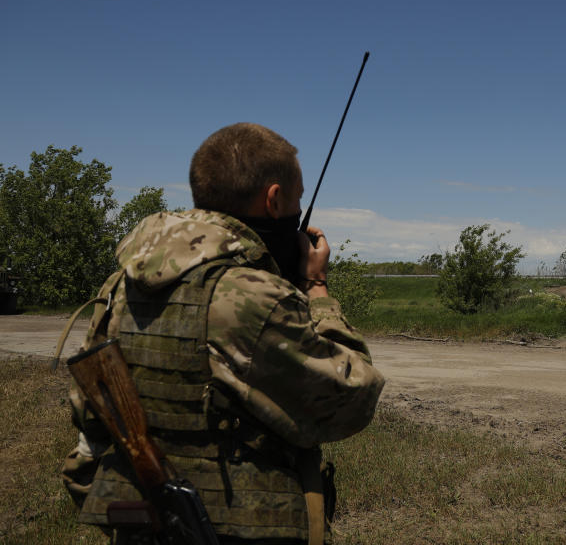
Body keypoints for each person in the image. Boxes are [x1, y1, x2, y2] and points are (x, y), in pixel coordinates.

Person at [61, 123, 385, 544]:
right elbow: (350, 401)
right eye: (298, 198)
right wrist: (317, 288)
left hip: (143, 524)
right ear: (274, 200)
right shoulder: (253, 297)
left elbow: (91, 415)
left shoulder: (121, 286)